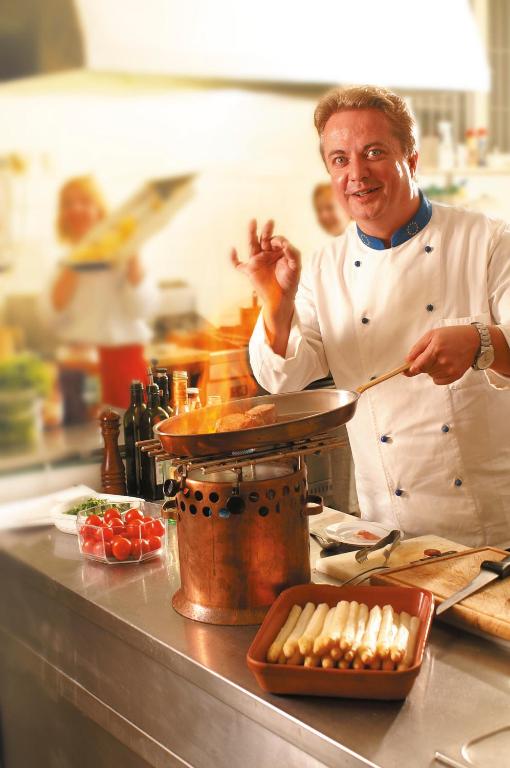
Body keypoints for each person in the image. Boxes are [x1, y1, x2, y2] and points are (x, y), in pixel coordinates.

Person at [232, 85, 510, 547]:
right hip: (386, 534)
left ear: (412, 160)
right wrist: (275, 305)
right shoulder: (323, 267)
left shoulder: (486, 240)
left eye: (374, 152)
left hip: (493, 533)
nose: (357, 174)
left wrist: (482, 343)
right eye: (340, 159)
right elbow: (284, 379)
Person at [51, 176, 153, 409]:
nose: (76, 209)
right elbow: (54, 313)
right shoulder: (63, 263)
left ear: (99, 209)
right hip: (79, 371)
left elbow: (141, 307)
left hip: (124, 368)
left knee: (130, 429)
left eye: (85, 201)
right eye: (68, 203)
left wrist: (132, 255)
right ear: (62, 215)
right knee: (86, 432)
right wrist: (77, 259)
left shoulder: (122, 253)